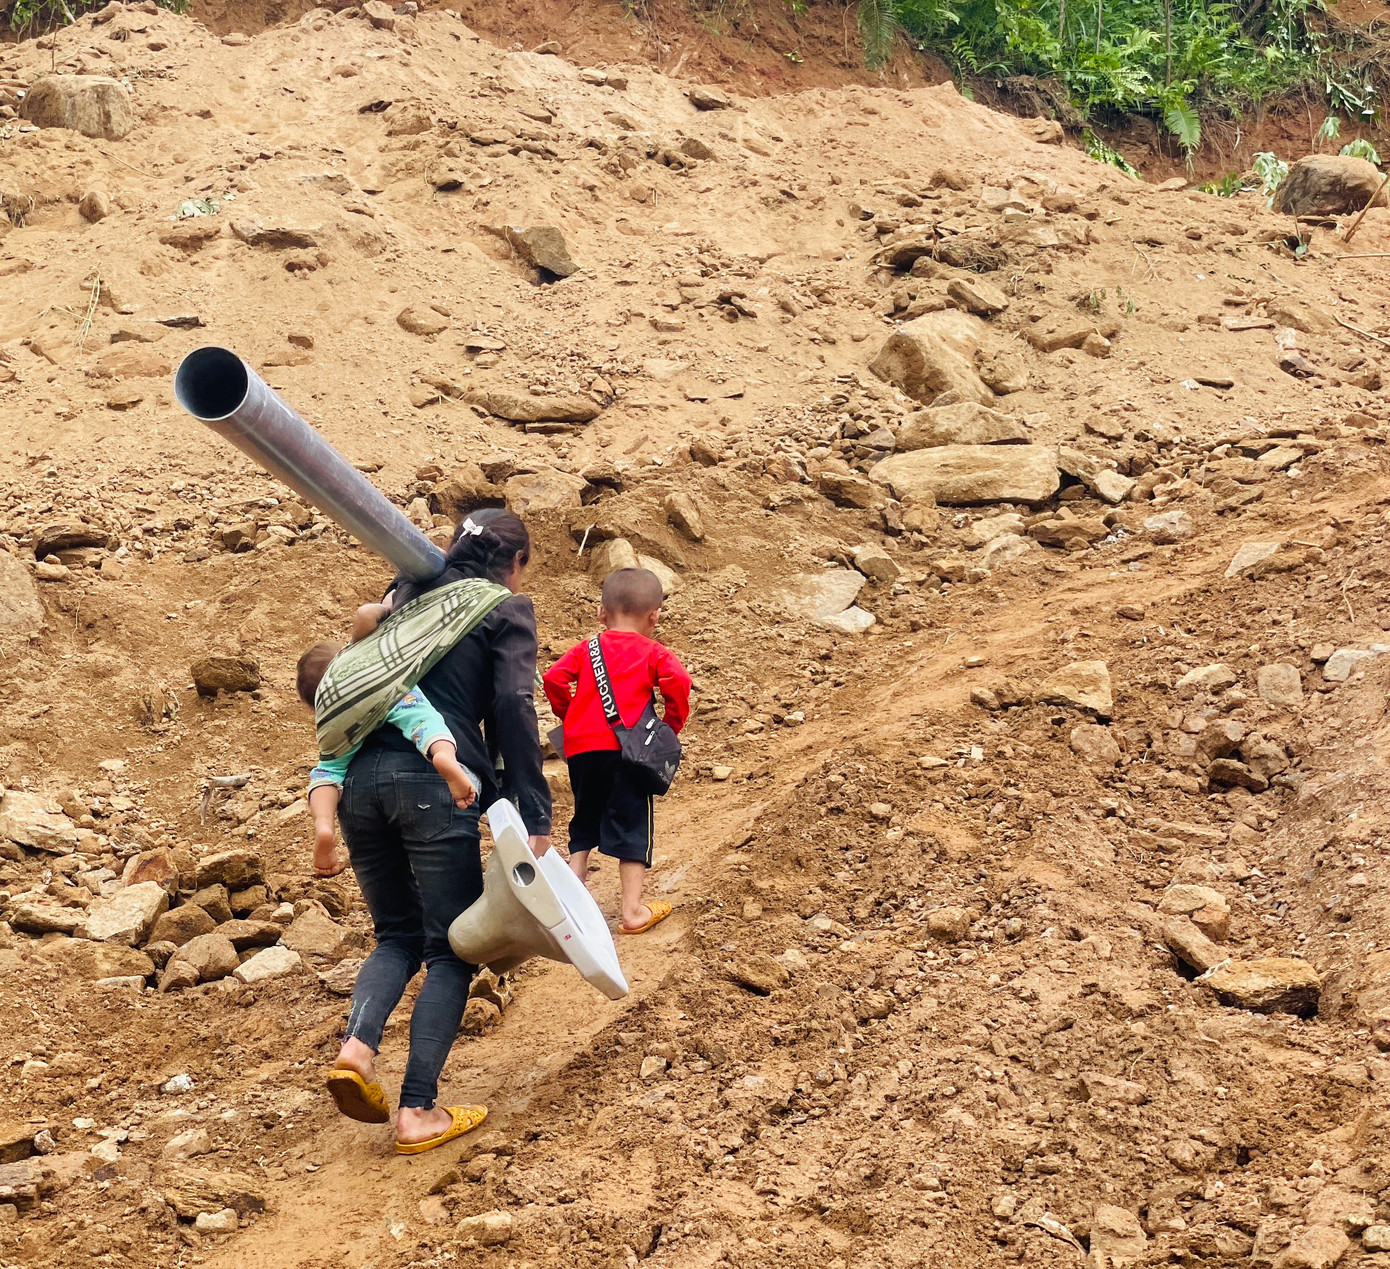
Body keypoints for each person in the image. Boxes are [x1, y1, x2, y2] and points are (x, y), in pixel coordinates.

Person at [324, 508, 552, 1154]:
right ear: (516, 565)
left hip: (356, 778)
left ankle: (357, 1051)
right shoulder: (502, 607)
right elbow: (512, 704)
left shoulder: (408, 592)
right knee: (451, 945)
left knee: (396, 933)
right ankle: (417, 1110)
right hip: (431, 777)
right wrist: (532, 811)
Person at [543, 567, 691, 935]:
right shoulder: (653, 651)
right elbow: (680, 682)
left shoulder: (586, 649)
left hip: (581, 749)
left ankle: (571, 895)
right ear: (654, 615)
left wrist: (570, 715)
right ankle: (633, 911)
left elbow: (553, 679)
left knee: (585, 815)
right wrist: (670, 726)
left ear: (601, 614)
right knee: (631, 821)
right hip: (628, 753)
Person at [295, 639, 479, 879]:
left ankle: (323, 823)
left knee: (329, 769)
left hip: (339, 720)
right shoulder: (369, 664)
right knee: (422, 720)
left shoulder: (327, 707)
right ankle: (443, 754)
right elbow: (368, 616)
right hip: (381, 692)